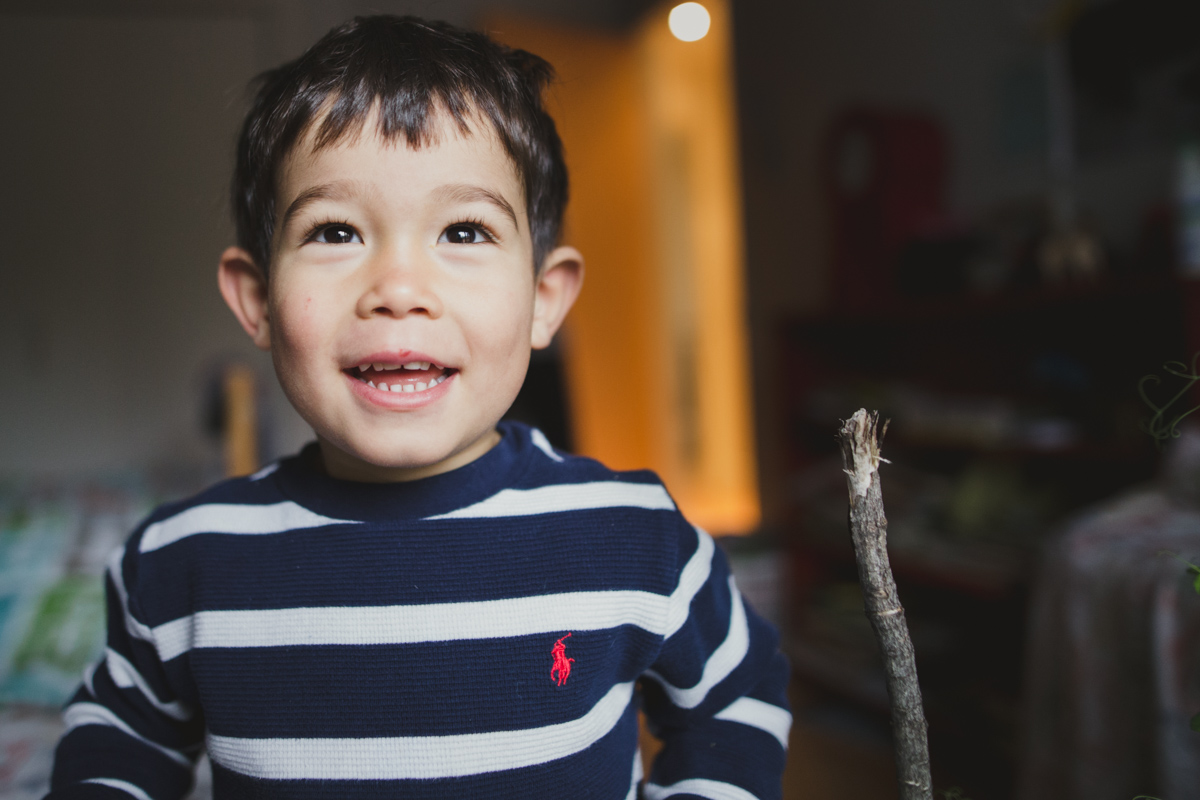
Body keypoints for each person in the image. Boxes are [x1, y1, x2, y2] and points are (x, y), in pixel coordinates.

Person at [46, 15, 791, 800]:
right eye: (335, 231)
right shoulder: (183, 562)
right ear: (258, 299)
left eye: (463, 230)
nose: (399, 290)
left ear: (544, 299)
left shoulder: (635, 536)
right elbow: (118, 741)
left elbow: (737, 698)